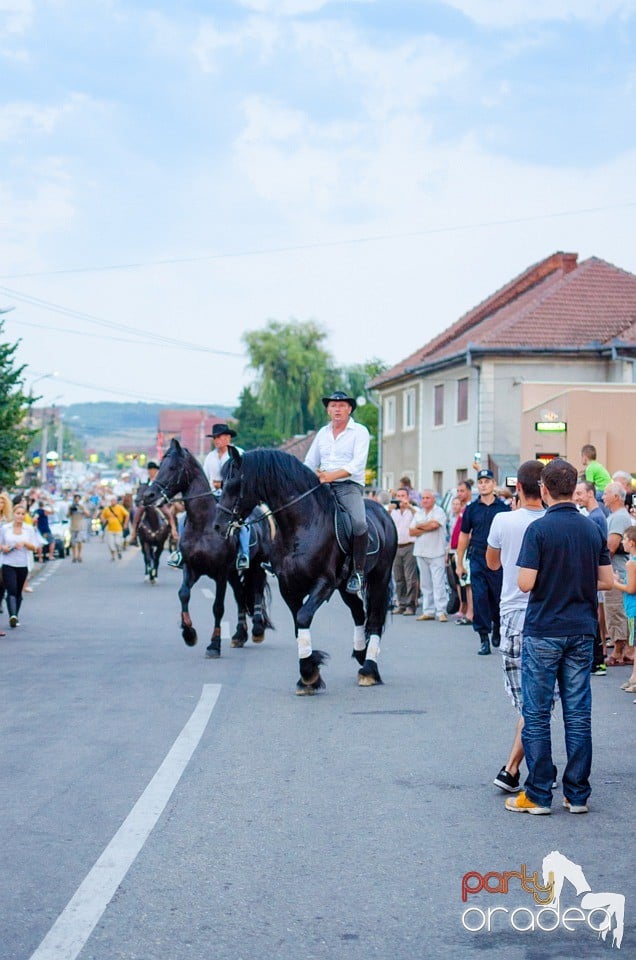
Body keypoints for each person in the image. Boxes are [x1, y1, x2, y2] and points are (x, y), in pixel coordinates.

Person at [505, 458, 613, 815]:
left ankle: (537, 794)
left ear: (544, 489)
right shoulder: (592, 529)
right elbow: (608, 581)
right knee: (578, 713)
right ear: (573, 488)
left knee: (536, 713)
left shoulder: (538, 530)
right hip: (581, 629)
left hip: (544, 629)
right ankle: (577, 794)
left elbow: (525, 583)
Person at [485, 460, 548, 794]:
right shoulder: (557, 522)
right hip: (550, 611)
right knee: (542, 700)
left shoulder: (503, 519)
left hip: (513, 612)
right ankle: (518, 768)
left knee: (529, 702)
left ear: (518, 489)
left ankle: (514, 768)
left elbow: (492, 563)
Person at [305, 391, 370, 594]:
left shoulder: (360, 431)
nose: (337, 409)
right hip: (322, 484)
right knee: (294, 514)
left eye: (342, 406)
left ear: (350, 409)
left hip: (348, 485)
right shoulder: (322, 433)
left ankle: (358, 570)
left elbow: (357, 465)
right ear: (328, 410)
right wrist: (317, 474)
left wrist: (330, 476)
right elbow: (309, 462)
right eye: (333, 406)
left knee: (358, 522)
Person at [456, 469, 509, 655]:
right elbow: (463, 537)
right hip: (477, 556)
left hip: (497, 558)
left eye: (487, 481)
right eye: (481, 482)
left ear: (494, 484)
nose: (483, 485)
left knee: (496, 597)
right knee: (479, 598)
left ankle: (496, 626)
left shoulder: (503, 508)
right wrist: (459, 563)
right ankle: (483, 637)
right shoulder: (472, 509)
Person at [201, 423, 250, 571]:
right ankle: (181, 552)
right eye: (214, 437)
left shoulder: (239, 454)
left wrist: (222, 485)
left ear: (228, 438)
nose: (216, 440)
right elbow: (204, 478)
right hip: (212, 498)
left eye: (219, 437)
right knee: (186, 518)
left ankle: (244, 554)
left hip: (233, 499)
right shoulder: (209, 457)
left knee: (244, 523)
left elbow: (243, 478)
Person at [574, 480, 609, 676]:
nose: (576, 497)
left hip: (594, 576)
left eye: (580, 493)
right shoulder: (594, 516)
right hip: (593, 575)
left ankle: (597, 661)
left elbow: (600, 551)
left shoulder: (595, 518)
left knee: (593, 617)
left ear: (590, 494)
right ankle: (597, 659)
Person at [602, 482, 633, 666]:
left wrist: (600, 566)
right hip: (618, 571)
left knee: (615, 611)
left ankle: (619, 652)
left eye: (606, 493)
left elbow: (611, 546)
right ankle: (625, 651)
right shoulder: (617, 516)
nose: (603, 496)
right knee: (617, 612)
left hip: (616, 572)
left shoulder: (619, 517)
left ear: (616, 496)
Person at [410, 489, 449, 622]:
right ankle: (428, 611)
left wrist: (419, 526)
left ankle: (441, 611)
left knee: (438, 582)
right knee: (425, 584)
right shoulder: (419, 513)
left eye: (428, 498)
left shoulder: (439, 511)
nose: (425, 500)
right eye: (423, 498)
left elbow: (434, 525)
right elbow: (411, 531)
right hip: (421, 552)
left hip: (437, 552)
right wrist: (424, 526)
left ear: (433, 499)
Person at [0, 502, 40, 627]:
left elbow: (35, 547)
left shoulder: (29, 529)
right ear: (13, 514)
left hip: (22, 564)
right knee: (11, 589)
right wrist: (4, 548)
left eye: (23, 514)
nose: (20, 516)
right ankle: (12, 615)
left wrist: (25, 543)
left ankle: (15, 615)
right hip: (8, 563)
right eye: (18, 513)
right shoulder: (5, 528)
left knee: (18, 592)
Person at [611, 525, 636, 696]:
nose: (623, 543)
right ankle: (634, 678)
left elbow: (631, 588)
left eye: (625, 539)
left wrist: (614, 582)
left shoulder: (631, 563)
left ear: (632, 543)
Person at [129, 461, 178, 546]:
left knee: (169, 514)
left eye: (153, 469)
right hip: (146, 503)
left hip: (158, 503)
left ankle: (173, 533)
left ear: (156, 470)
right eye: (149, 470)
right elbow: (136, 469)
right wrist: (134, 461)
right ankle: (133, 535)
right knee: (137, 515)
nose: (151, 471)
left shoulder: (160, 480)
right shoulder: (145, 479)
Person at [389, 488, 418, 615]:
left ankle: (411, 604)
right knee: (398, 577)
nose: (400, 498)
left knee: (410, 577)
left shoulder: (412, 510)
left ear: (407, 497)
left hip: (409, 545)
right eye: (398, 495)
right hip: (396, 546)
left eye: (403, 496)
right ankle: (401, 603)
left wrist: (409, 506)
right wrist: (389, 510)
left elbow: (420, 515)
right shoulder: (393, 511)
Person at [100, 495, 129, 561]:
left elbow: (127, 514)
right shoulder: (107, 509)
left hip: (118, 529)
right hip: (110, 529)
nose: (113, 502)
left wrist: (125, 524)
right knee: (111, 544)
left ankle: (119, 551)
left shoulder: (120, 507)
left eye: (114, 500)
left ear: (116, 501)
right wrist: (103, 520)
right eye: (111, 501)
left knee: (118, 543)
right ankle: (113, 556)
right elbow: (102, 516)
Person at [68, 493, 90, 563]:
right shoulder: (71, 506)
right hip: (73, 526)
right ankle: (74, 556)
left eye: (78, 499)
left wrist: (81, 510)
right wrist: (71, 511)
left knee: (79, 541)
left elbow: (87, 514)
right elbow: (67, 515)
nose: (76, 500)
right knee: (73, 543)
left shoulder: (82, 506)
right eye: (75, 499)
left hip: (80, 526)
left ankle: (79, 555)